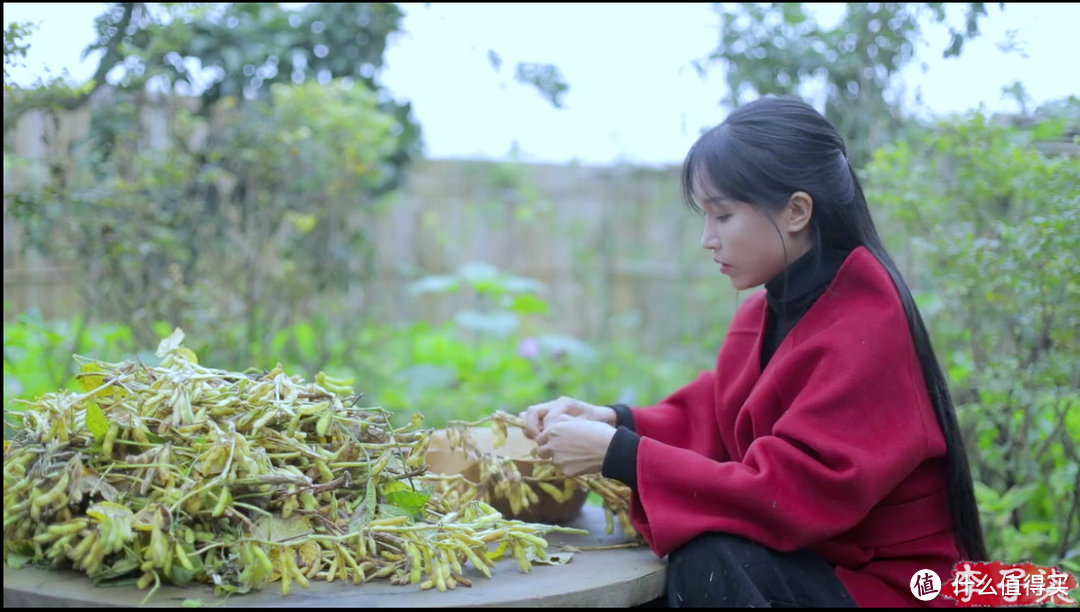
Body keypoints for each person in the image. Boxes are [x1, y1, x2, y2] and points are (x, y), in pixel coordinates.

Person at [519, 96, 986, 608]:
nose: (707, 239)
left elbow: (792, 490)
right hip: (820, 561)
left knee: (711, 561)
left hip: (889, 585)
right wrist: (612, 419)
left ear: (796, 211)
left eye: (722, 215)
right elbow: (719, 418)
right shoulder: (766, 311)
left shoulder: (868, 324)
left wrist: (618, 453)